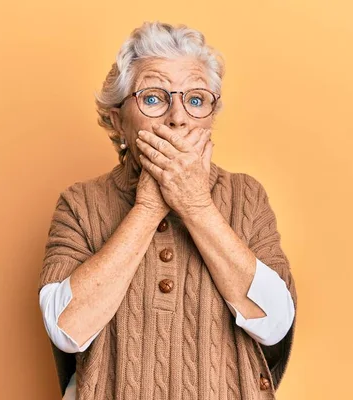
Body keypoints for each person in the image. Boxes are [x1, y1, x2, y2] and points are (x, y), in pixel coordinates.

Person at [38, 21, 298, 400]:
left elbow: (274, 324)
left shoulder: (247, 195)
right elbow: (67, 329)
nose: (177, 117)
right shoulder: (80, 203)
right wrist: (148, 205)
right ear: (117, 121)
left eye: (195, 100)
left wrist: (194, 204)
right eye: (155, 97)